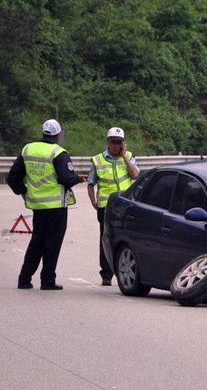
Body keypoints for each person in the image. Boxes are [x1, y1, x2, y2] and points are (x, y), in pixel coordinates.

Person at [7, 119, 87, 290]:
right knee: (52, 244)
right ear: (58, 135)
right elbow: (66, 178)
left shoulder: (28, 149)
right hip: (56, 207)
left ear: (43, 132)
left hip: (37, 206)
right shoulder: (58, 152)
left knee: (36, 242)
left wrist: (24, 192)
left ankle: (24, 279)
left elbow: (12, 177)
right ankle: (48, 281)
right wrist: (78, 178)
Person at [87, 127, 138, 286]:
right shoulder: (98, 160)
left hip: (126, 205)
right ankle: (106, 275)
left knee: (129, 240)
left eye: (119, 142)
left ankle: (129, 272)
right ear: (108, 142)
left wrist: (124, 157)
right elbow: (91, 183)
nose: (116, 145)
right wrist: (93, 201)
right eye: (113, 142)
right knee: (106, 240)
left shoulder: (128, 156)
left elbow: (135, 175)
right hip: (106, 206)